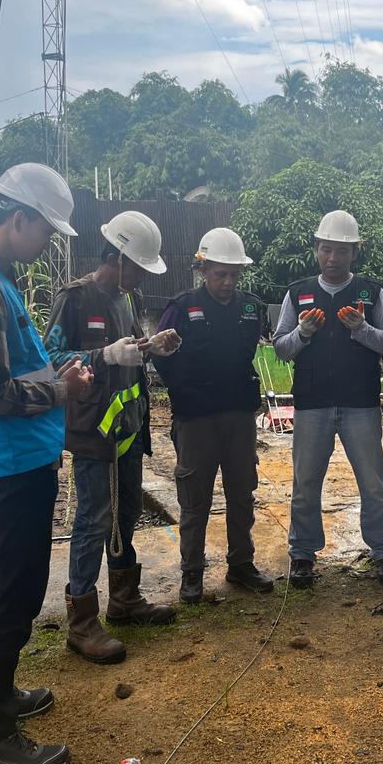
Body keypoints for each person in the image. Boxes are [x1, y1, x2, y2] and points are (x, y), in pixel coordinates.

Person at [0, 163, 92, 764]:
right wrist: (61, 391)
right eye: (46, 232)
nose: (47, 245)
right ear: (19, 218)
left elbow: (6, 376)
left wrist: (58, 380)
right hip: (11, 462)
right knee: (14, 591)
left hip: (18, 458)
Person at [44, 211, 178, 667]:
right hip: (93, 430)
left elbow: (128, 351)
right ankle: (81, 622)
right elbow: (50, 357)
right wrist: (101, 354)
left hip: (127, 426)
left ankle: (124, 600)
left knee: (126, 513)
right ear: (117, 257)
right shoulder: (76, 298)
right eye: (138, 266)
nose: (141, 275)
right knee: (93, 519)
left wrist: (150, 346)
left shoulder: (128, 297)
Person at [273, 211, 383, 589]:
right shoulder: (298, 293)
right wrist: (303, 332)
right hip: (312, 404)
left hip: (359, 403)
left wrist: (362, 329)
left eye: (342, 252)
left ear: (354, 253)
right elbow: (280, 349)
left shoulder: (371, 291)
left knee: (374, 482)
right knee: (305, 483)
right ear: (316, 249)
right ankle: (302, 555)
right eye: (326, 250)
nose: (333, 258)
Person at [152, 228, 275, 604]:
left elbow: (256, 349)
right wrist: (185, 391)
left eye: (234, 274)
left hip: (239, 417)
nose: (227, 282)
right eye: (220, 273)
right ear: (203, 269)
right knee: (195, 498)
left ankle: (241, 565)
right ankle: (192, 574)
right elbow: (159, 353)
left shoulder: (252, 306)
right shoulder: (181, 306)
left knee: (242, 492)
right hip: (196, 419)